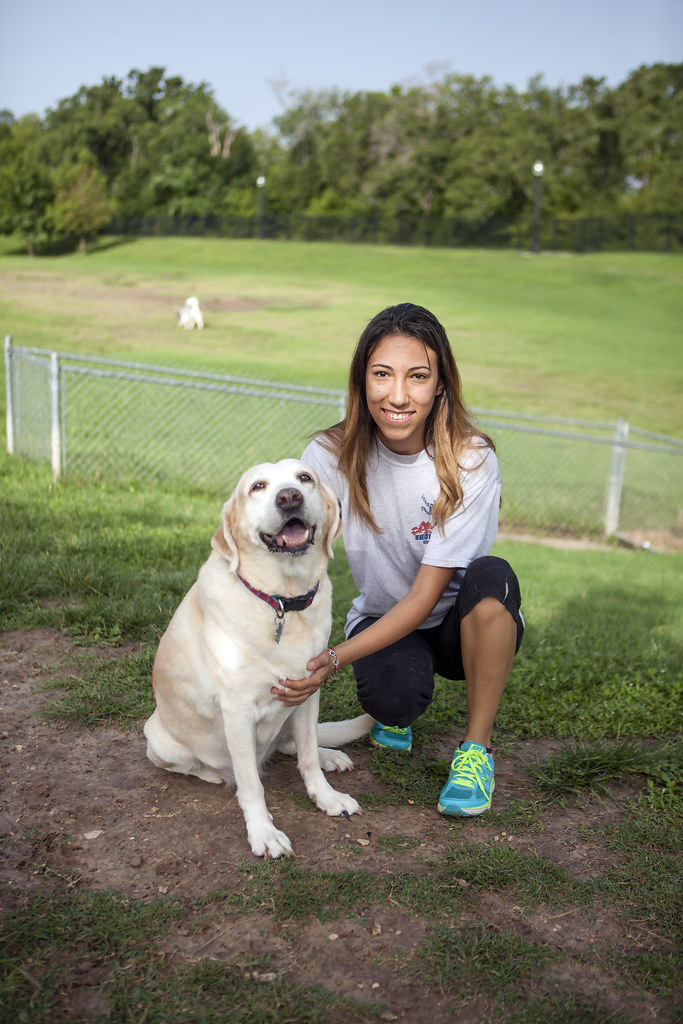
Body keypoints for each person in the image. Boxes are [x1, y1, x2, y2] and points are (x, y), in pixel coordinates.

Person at [272, 302, 524, 817]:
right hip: (386, 616)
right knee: (393, 697)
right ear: (362, 381)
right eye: (382, 374)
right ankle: (397, 710)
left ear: (440, 387)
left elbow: (426, 597)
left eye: (417, 376)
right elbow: (288, 556)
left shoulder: (470, 459)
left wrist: (335, 658)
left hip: (455, 625)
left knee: (492, 577)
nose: (398, 395)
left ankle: (476, 751)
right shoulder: (327, 456)